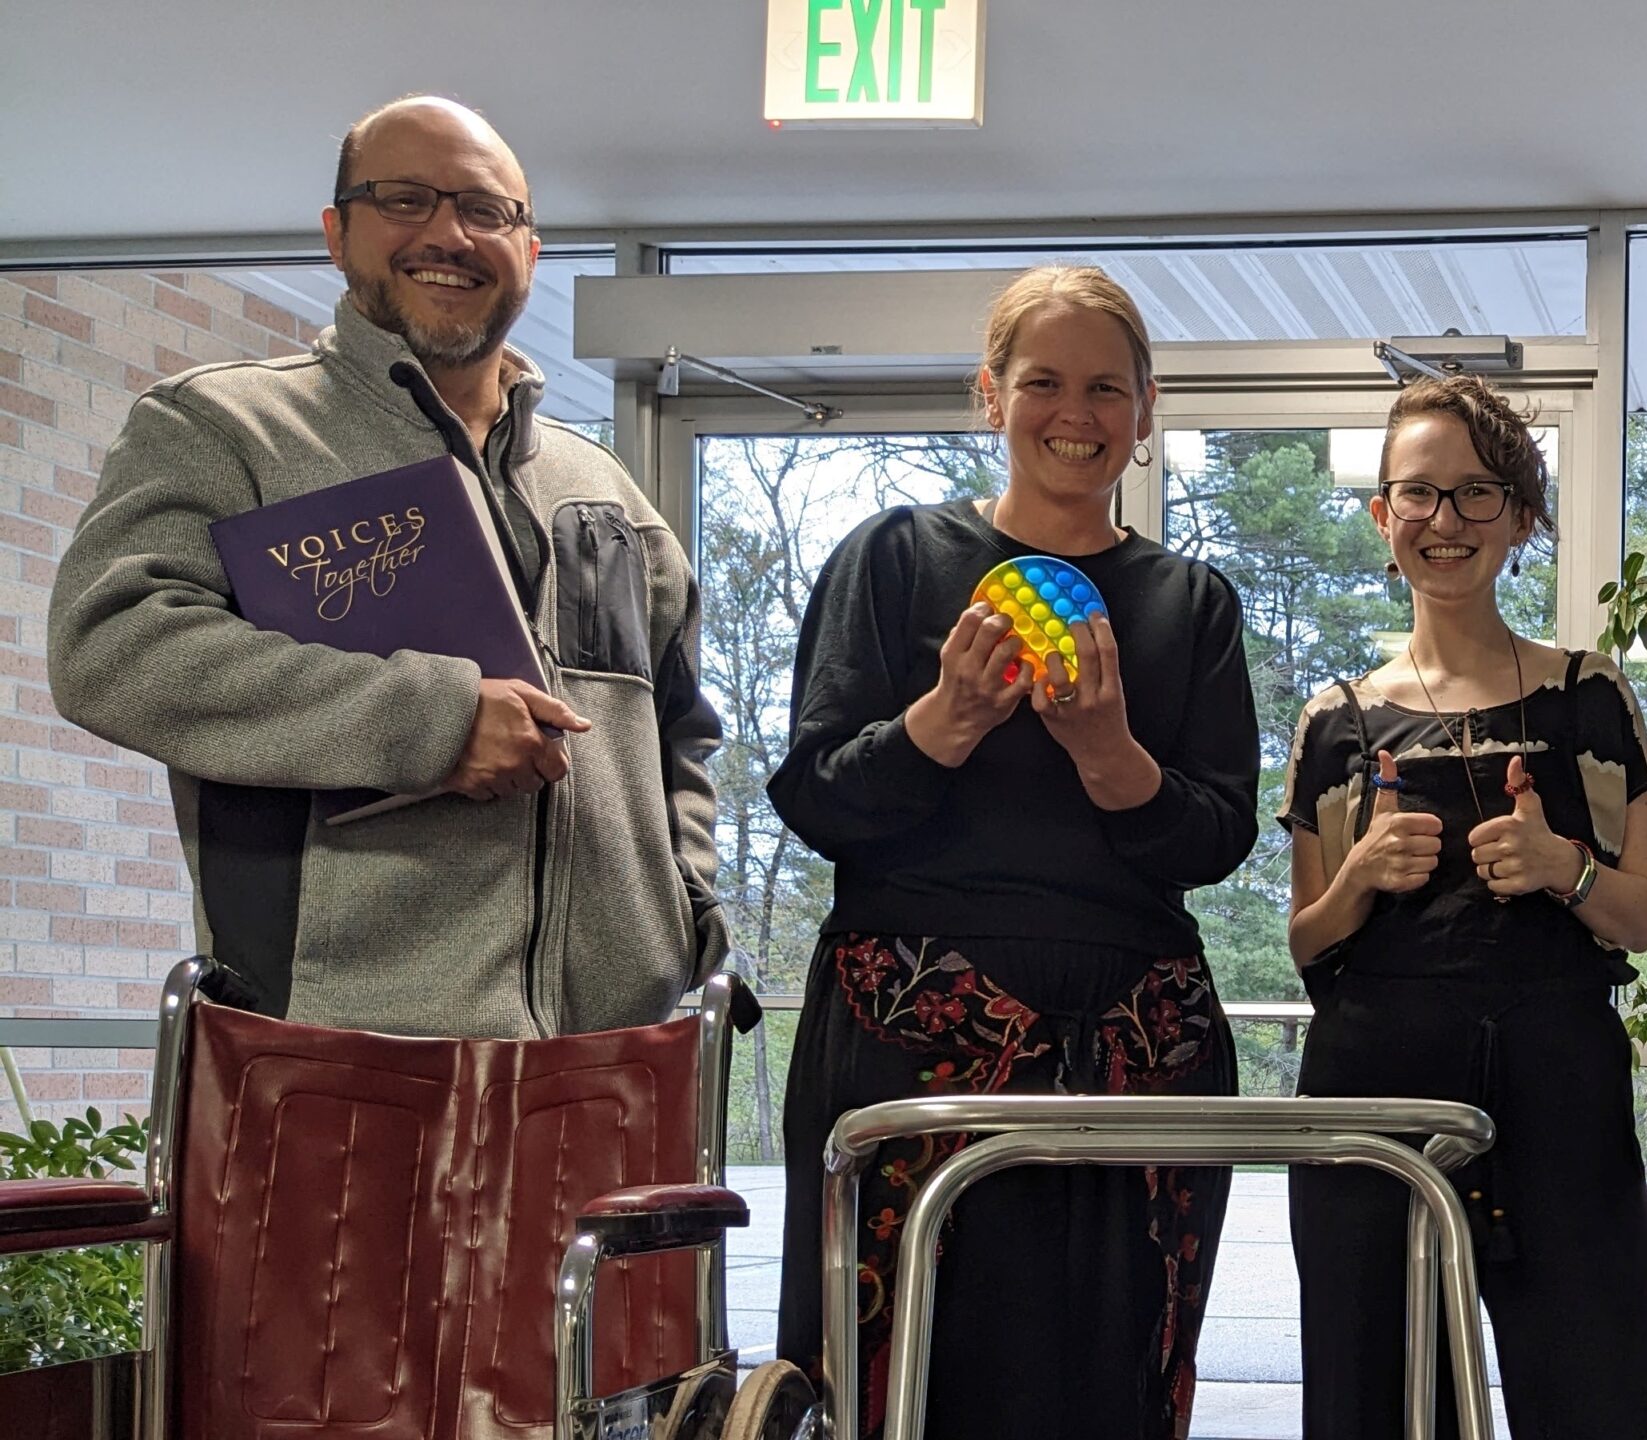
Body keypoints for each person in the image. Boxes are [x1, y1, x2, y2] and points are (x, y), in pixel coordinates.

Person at [47, 95, 727, 1038]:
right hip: (334, 1045)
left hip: (606, 1045)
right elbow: (112, 648)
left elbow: (680, 730)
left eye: (487, 211)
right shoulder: (225, 430)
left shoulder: (600, 484)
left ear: (529, 249)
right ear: (337, 233)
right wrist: (434, 722)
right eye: (405, 199)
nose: (449, 233)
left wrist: (684, 915)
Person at [767, 265, 1259, 1439]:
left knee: (1114, 1368)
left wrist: (1108, 752)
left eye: (1105, 387)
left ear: (1147, 411)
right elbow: (816, 798)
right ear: (990, 395)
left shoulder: (1192, 602)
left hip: (1136, 1040)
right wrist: (945, 724)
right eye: (1042, 381)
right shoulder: (891, 559)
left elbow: (1217, 834)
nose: (1073, 415)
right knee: (904, 1370)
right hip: (911, 1031)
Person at [1282, 376, 1647, 1438]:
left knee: (1611, 1380)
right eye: (1418, 495)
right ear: (1382, 516)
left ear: (1522, 517)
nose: (1445, 521)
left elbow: (1642, 916)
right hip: (1368, 1091)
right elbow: (1306, 941)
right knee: (1372, 1387)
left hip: (1557, 1077)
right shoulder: (1333, 722)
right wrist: (1359, 874)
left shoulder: (1587, 695)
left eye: (1477, 494)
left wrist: (1562, 867)